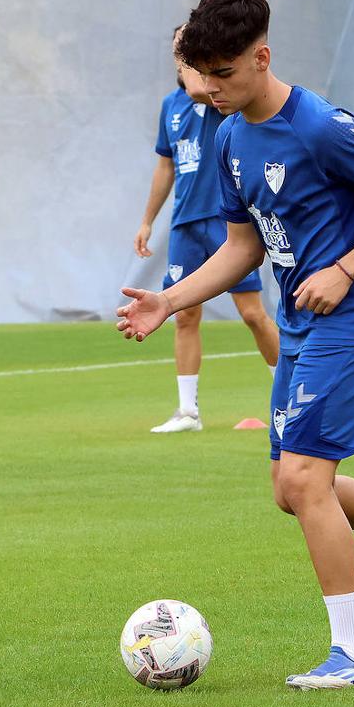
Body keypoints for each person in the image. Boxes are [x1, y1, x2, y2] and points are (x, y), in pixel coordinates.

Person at [118, 0, 354, 689]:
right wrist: (167, 299)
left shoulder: (321, 126)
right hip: (302, 328)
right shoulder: (231, 135)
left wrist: (345, 267)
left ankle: (353, 659)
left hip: (352, 320)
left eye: (223, 73)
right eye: (202, 74)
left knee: (305, 481)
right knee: (289, 487)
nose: (209, 89)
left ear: (261, 55)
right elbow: (243, 247)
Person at [134, 25, 280, 433]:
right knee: (183, 314)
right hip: (185, 222)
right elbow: (165, 165)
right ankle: (187, 412)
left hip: (224, 220)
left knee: (252, 314)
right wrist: (147, 220)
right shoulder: (170, 106)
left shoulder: (218, 95)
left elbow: (199, 89)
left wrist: (188, 54)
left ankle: (287, 398)